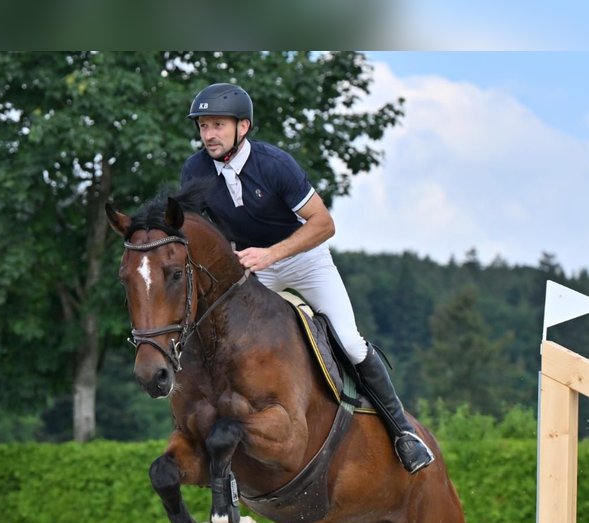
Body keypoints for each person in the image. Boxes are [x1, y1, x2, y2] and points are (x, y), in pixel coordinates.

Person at [181, 82, 434, 474]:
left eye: (217, 125)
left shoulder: (275, 165)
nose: (208, 134)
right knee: (225, 348)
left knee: (349, 343)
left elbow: (324, 224)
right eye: (203, 126)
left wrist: (272, 254)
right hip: (252, 269)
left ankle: (402, 432)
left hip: (304, 259)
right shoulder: (195, 170)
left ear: (242, 127)